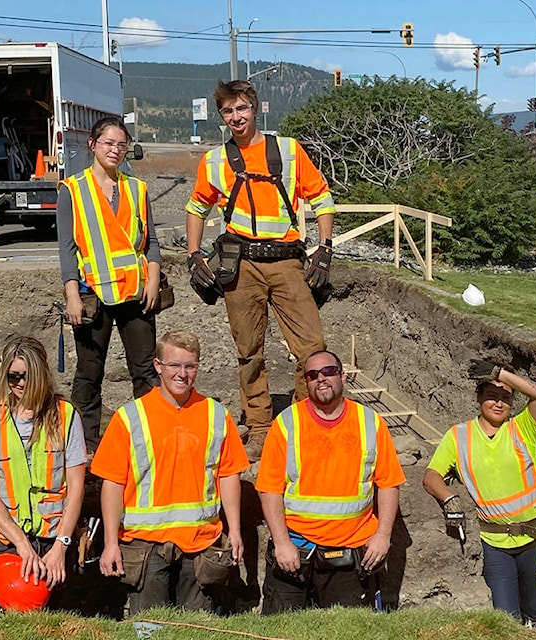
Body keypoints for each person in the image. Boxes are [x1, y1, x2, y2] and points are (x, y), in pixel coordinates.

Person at [185, 80, 337, 455]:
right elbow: (196, 209)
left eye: (241, 109)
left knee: (312, 346)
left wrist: (325, 247)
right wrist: (193, 255)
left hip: (286, 260)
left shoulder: (287, 150)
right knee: (249, 349)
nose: (236, 117)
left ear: (255, 108)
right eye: (228, 111)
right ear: (222, 116)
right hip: (241, 264)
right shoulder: (215, 161)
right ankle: (259, 427)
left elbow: (321, 197)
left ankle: (305, 419)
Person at [92, 330, 249, 614]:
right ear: (158, 366)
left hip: (200, 542)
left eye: (190, 366)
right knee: (149, 629)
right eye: (174, 365)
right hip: (146, 545)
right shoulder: (130, 417)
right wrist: (110, 542)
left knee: (197, 630)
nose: (182, 374)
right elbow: (113, 483)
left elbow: (228, 475)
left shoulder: (216, 415)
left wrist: (234, 531)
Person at [255, 350, 405, 613]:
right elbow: (269, 489)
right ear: (306, 383)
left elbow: (389, 484)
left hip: (351, 554)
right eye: (312, 375)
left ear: (342, 377)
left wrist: (382, 537)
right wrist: (281, 543)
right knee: (281, 630)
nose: (321, 379)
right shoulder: (287, 424)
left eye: (328, 372)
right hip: (296, 549)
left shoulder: (370, 423)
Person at [57, 115, 161, 451]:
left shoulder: (137, 189)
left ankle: (150, 436)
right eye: (108, 143)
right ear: (92, 145)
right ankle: (84, 444)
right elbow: (66, 250)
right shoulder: (72, 190)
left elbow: (151, 242)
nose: (115, 150)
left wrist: (154, 278)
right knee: (89, 373)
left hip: (135, 293)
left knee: (145, 371)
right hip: (93, 295)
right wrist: (71, 294)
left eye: (121, 144)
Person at [0, 336, 86, 615]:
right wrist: (21, 543)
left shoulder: (66, 417)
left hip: (54, 539)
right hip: (5, 539)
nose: (20, 383)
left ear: (42, 373)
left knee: (58, 624)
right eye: (13, 376)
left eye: (27, 376)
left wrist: (60, 546)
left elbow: (75, 489)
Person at [423, 359, 536, 625]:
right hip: (496, 545)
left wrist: (499, 373)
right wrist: (449, 497)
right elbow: (431, 476)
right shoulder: (459, 436)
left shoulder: (522, 428)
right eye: (491, 396)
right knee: (506, 619)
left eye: (506, 397)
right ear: (478, 397)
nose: (498, 402)